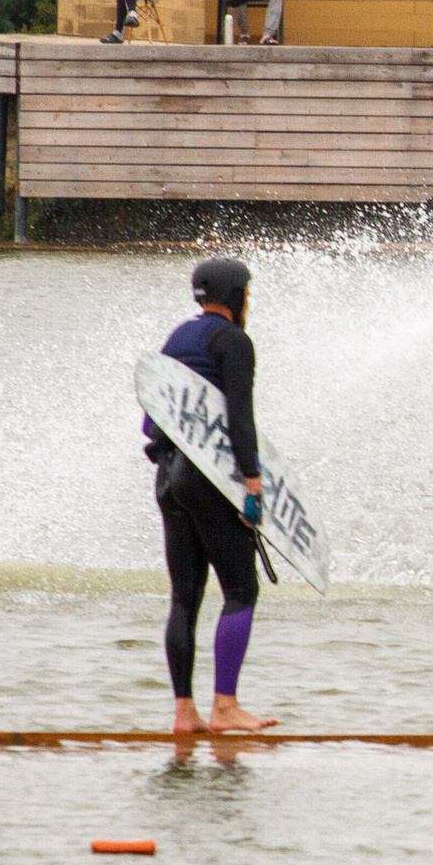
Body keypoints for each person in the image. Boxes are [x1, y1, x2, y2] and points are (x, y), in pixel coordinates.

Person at [144, 258, 278, 734]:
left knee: (185, 597)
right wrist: (253, 482)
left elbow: (151, 419)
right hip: (209, 477)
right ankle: (225, 706)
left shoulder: (177, 338)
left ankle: (185, 713)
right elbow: (240, 417)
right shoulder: (234, 341)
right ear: (236, 295)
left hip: (167, 474)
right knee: (241, 589)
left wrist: (171, 467)